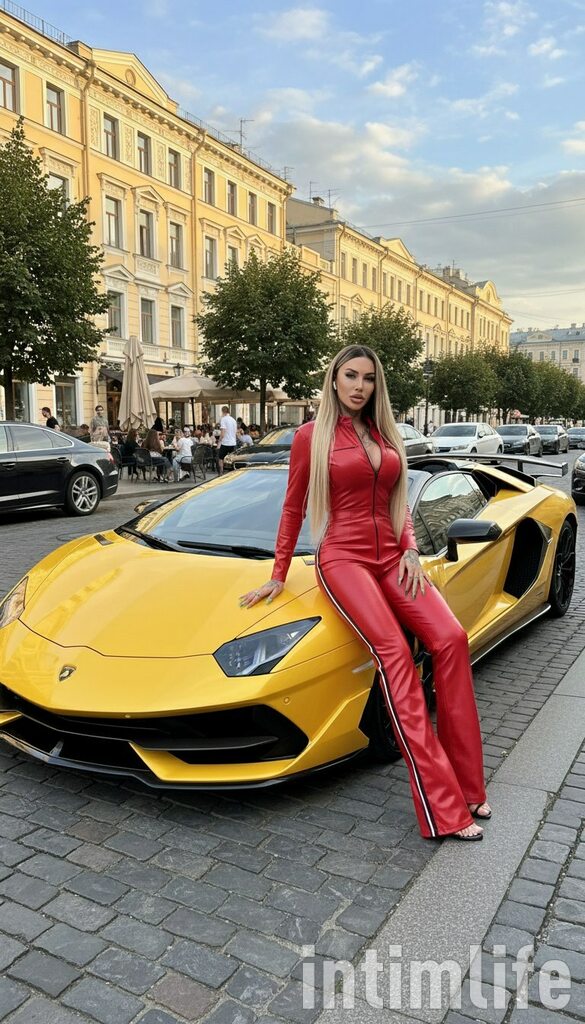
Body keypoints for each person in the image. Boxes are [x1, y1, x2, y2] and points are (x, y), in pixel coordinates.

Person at [239, 344, 489, 842]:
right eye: (350, 376)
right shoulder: (311, 436)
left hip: (394, 557)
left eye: (368, 378)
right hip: (344, 558)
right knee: (395, 654)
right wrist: (279, 571)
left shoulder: (384, 432)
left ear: (378, 385)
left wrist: (411, 548)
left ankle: (469, 786)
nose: (359, 386)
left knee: (451, 639)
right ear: (334, 380)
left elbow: (399, 500)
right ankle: (443, 807)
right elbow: (292, 506)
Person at [218, 405, 237, 475]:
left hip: (225, 442)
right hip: (233, 442)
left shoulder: (223, 419)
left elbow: (223, 433)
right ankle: (233, 472)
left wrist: (219, 441)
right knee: (232, 459)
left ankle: (221, 472)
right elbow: (235, 432)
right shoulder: (233, 420)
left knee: (221, 458)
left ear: (223, 411)